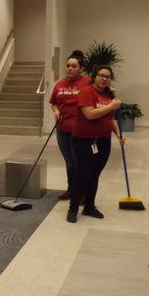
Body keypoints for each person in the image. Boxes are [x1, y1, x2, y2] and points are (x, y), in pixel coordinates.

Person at [66, 65, 124, 223]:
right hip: (84, 140)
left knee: (94, 174)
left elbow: (111, 118)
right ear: (94, 76)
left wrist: (118, 134)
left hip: (103, 140)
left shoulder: (108, 94)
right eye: (101, 75)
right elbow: (89, 114)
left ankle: (89, 206)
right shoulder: (86, 91)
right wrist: (111, 106)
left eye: (107, 76)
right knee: (82, 175)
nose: (104, 78)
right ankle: (73, 208)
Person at [49, 50, 91, 200]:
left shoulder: (87, 82)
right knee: (69, 162)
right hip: (62, 130)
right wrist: (56, 110)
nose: (70, 68)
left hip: (80, 130)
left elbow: (100, 92)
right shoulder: (60, 84)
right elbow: (53, 102)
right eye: (68, 66)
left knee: (79, 162)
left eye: (74, 66)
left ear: (81, 68)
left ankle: (83, 193)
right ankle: (71, 190)